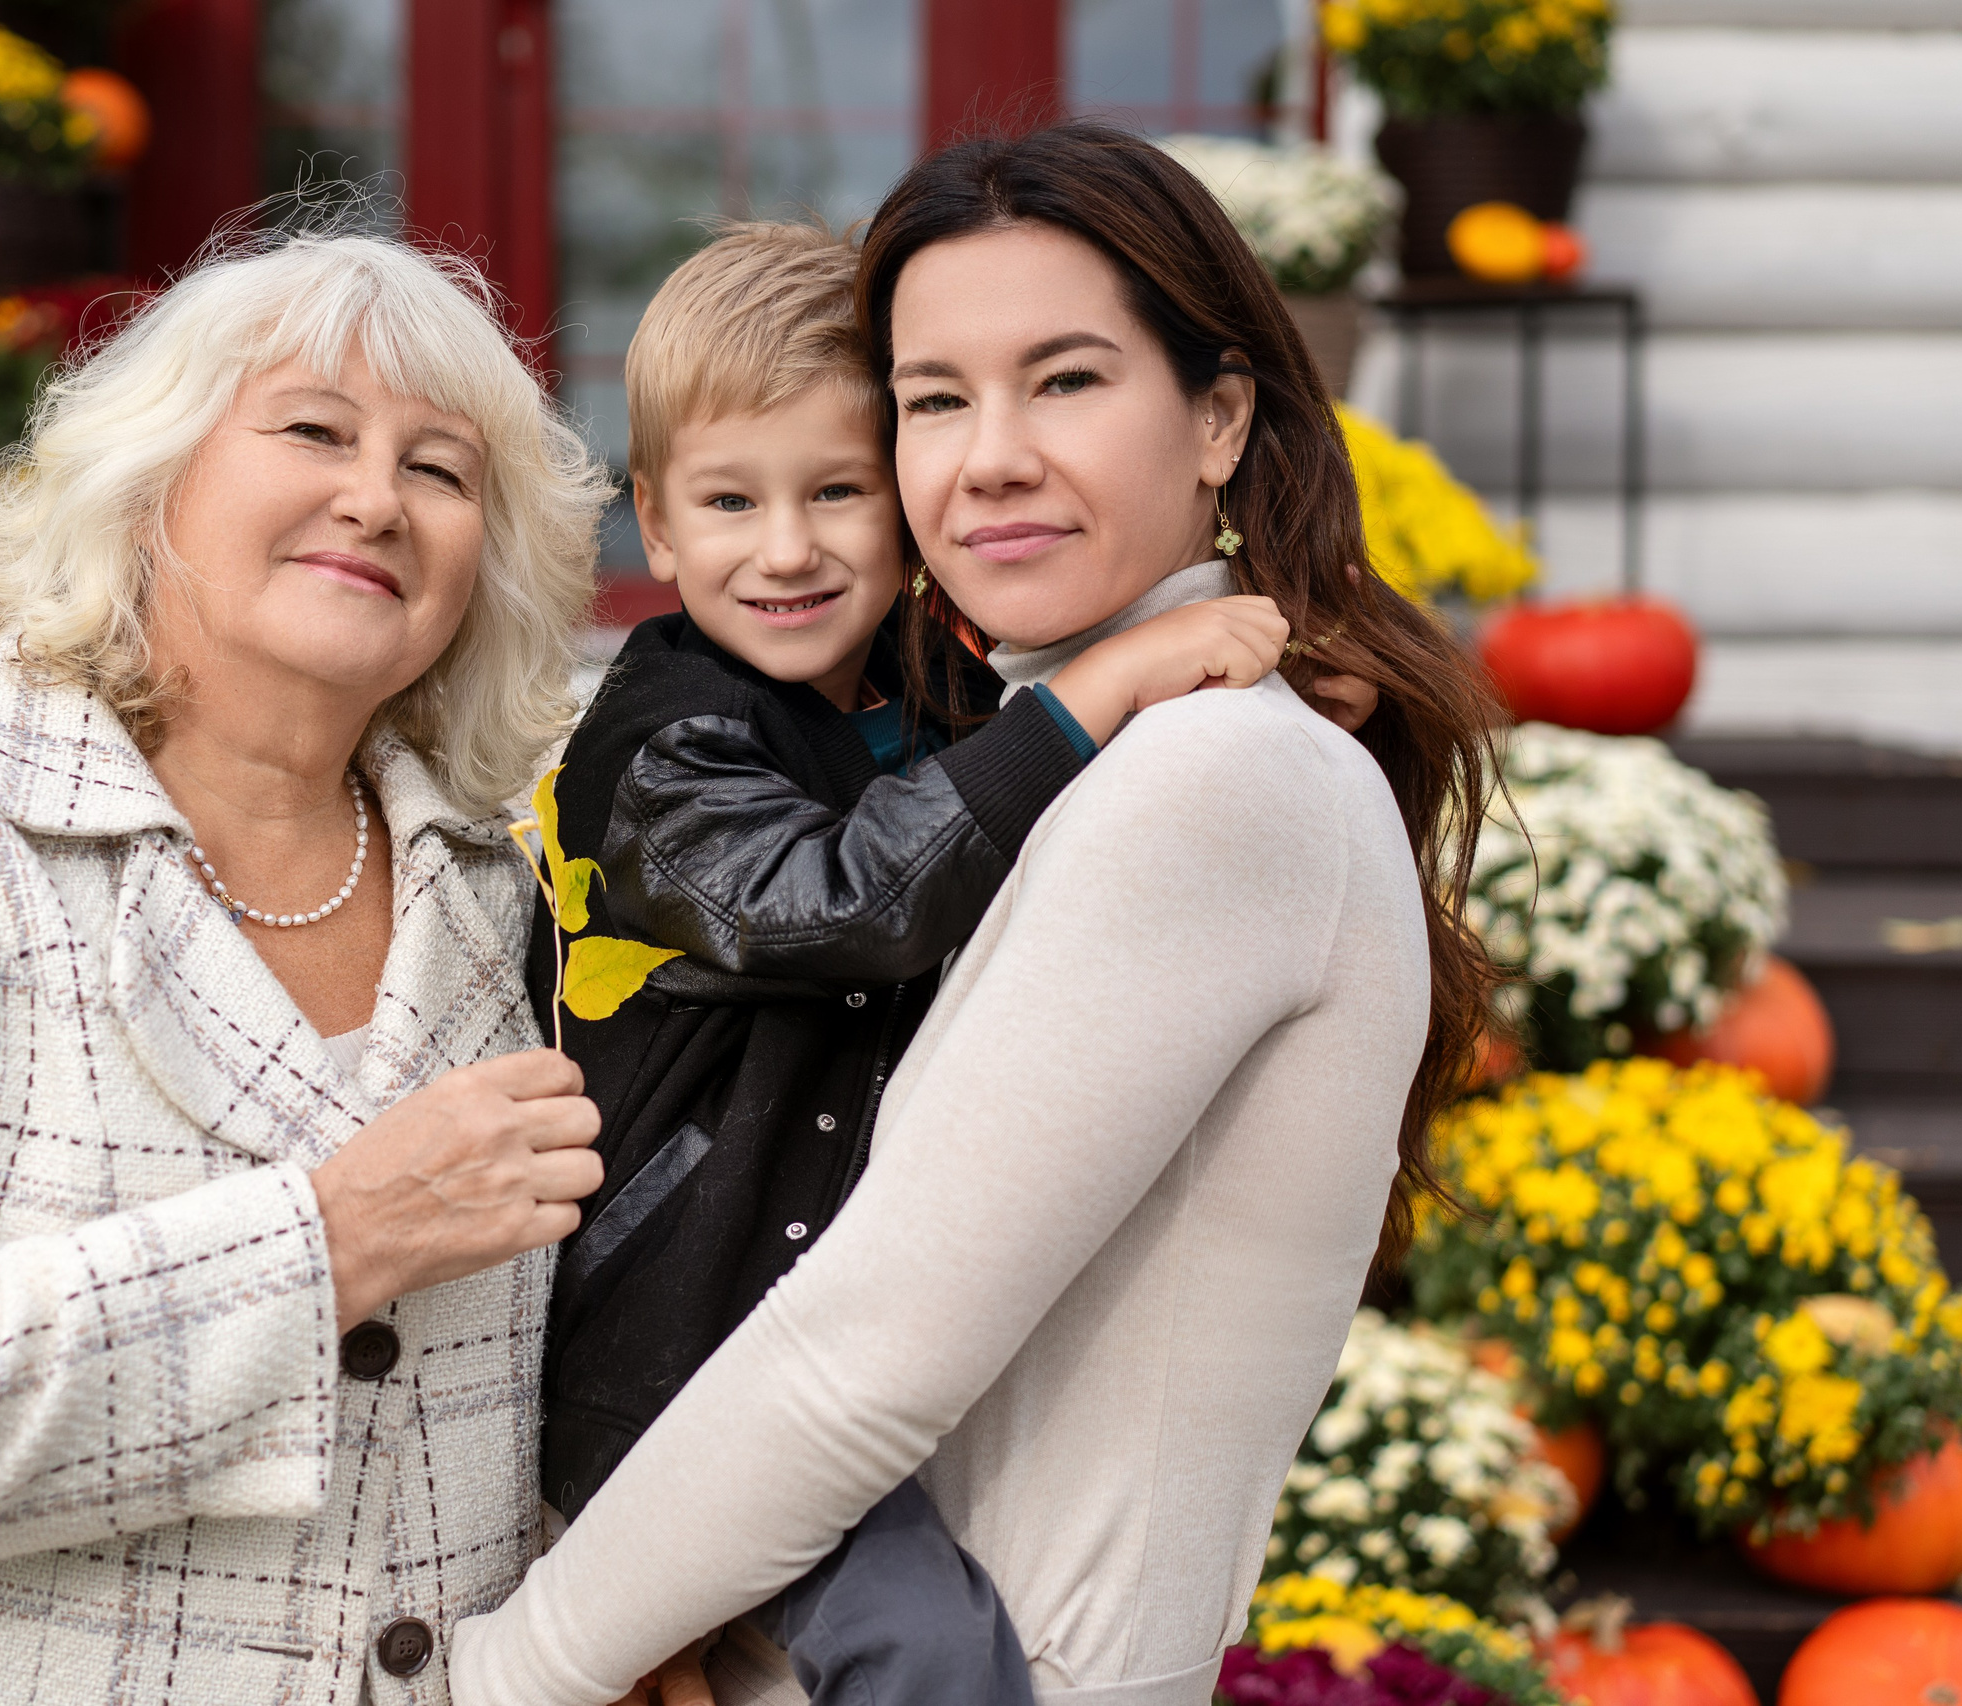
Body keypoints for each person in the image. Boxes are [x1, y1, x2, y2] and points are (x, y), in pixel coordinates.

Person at [452, 123, 1503, 1706]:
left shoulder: (1205, 769)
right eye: (935, 399)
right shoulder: (1088, 739)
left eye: (1066, 380)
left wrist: (511, 1675)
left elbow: (860, 1356)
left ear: (1221, 415)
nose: (987, 454)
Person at [0, 233, 614, 1706]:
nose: (377, 496)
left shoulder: (512, 894)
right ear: (150, 478)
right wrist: (328, 1241)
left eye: (443, 470)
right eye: (313, 430)